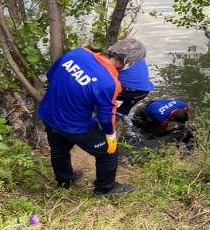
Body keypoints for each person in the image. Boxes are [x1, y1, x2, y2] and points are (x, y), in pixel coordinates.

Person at [37, 38, 146, 196]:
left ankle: (64, 181)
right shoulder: (109, 82)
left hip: (48, 112)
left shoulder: (77, 53)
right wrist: (110, 135)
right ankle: (105, 189)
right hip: (74, 124)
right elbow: (105, 115)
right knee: (108, 153)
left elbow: (51, 74)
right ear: (128, 61)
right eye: (133, 63)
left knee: (59, 150)